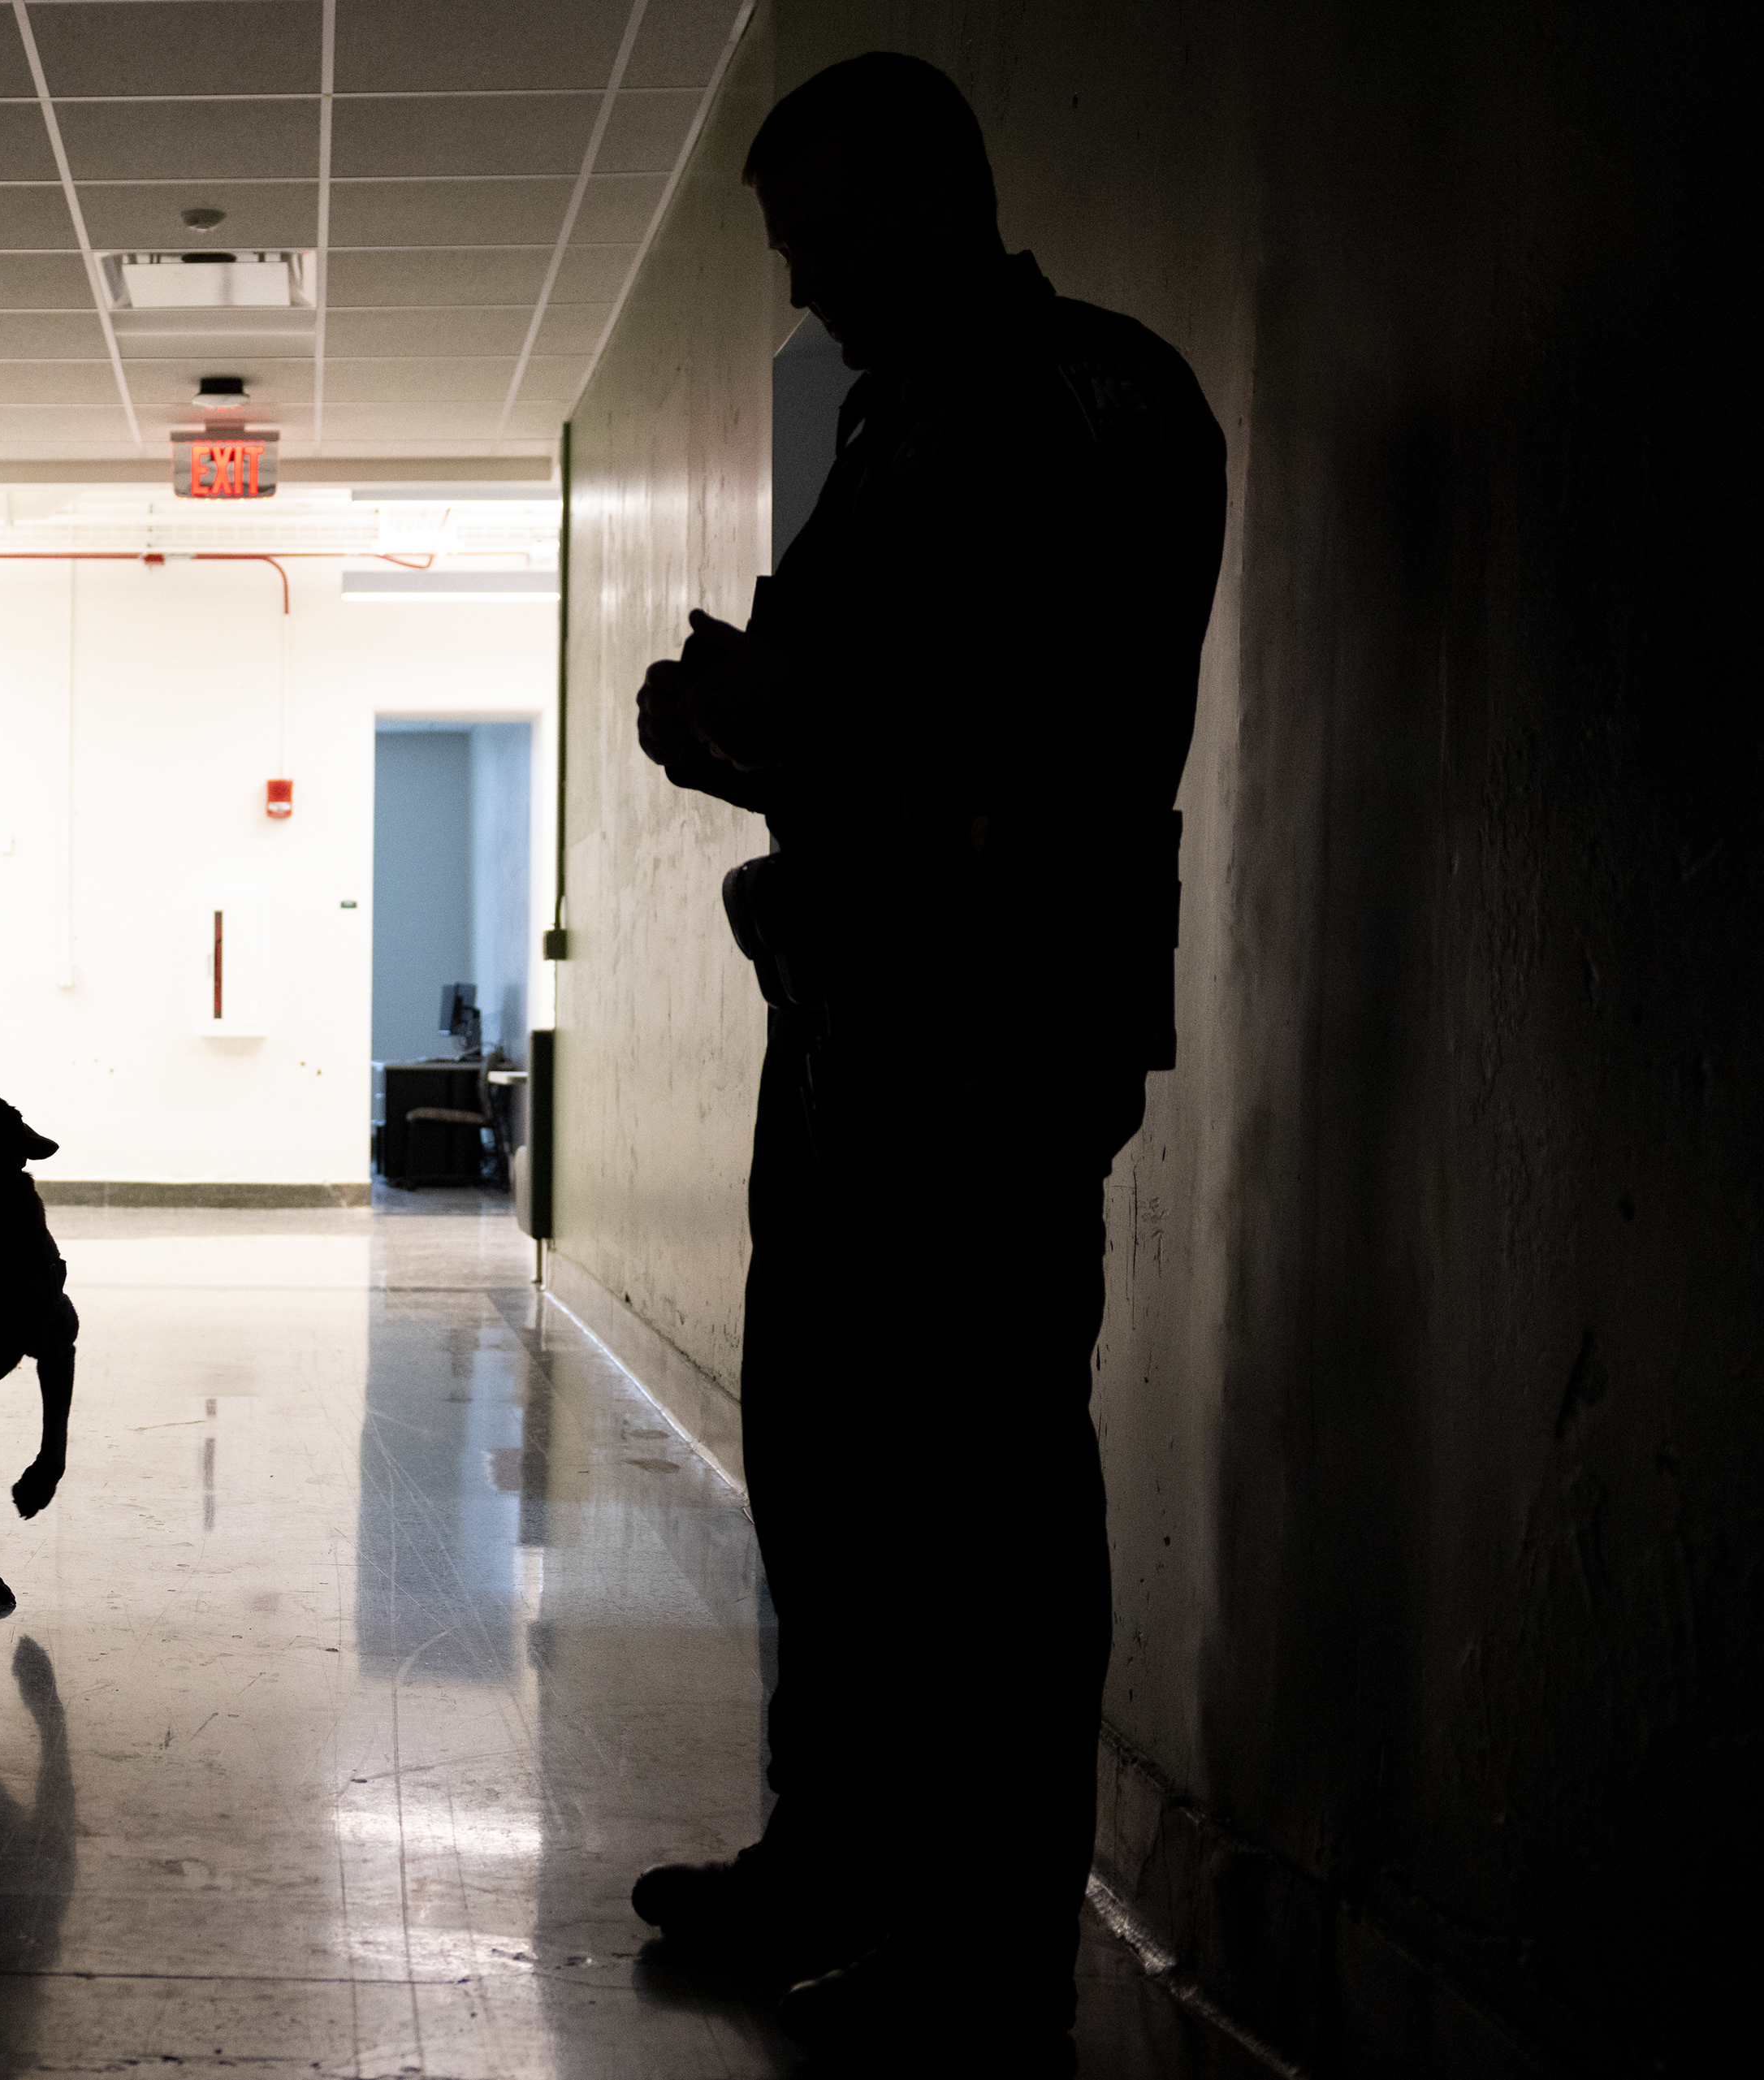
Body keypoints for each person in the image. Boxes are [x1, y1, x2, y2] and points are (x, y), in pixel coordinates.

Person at [625, 52, 1226, 2074]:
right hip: (855, 1014)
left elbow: (1065, 733)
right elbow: (850, 706)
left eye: (823, 239)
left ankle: (985, 1947)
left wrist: (811, 728)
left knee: (982, 1498)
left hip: (999, 1028)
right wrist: (734, 725)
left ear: (932, 195)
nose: (806, 288)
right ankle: (837, 1861)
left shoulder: (1094, 404)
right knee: (827, 1463)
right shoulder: (892, 421)